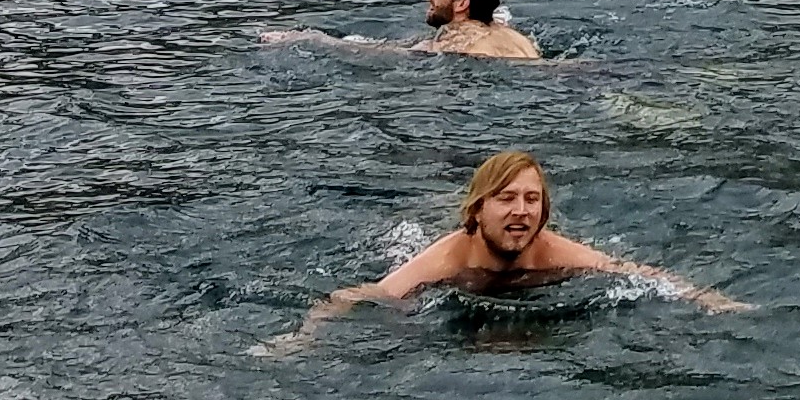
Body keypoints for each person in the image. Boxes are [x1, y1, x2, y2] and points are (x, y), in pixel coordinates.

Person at [284, 150, 745, 338]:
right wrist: (300, 338)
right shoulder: (450, 255)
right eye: (505, 199)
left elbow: (638, 275)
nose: (520, 211)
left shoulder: (551, 251)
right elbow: (366, 295)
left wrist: (713, 302)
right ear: (477, 211)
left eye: (531, 200)